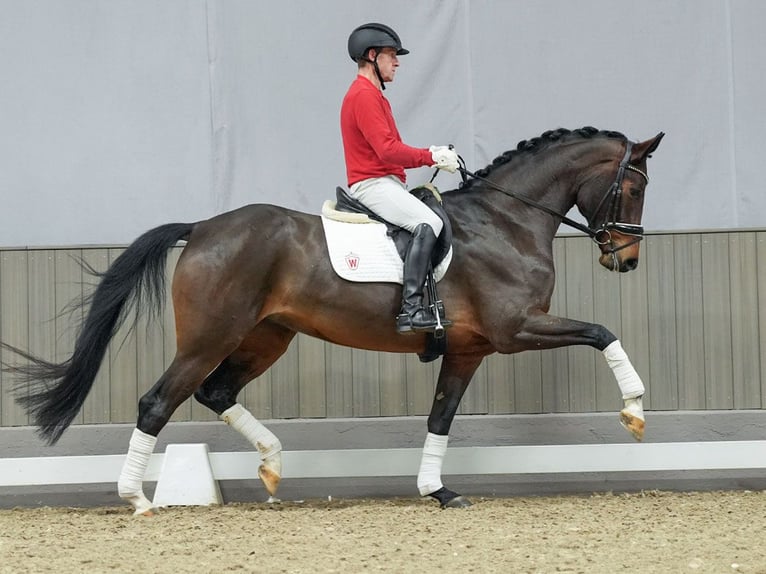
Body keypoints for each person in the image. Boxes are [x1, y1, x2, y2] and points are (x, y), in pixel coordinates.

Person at [341, 22, 459, 335]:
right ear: (372, 56)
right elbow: (387, 150)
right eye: (391, 55)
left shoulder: (374, 96)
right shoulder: (364, 96)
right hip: (372, 183)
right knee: (429, 223)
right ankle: (411, 310)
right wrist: (431, 156)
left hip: (386, 182)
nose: (397, 62)